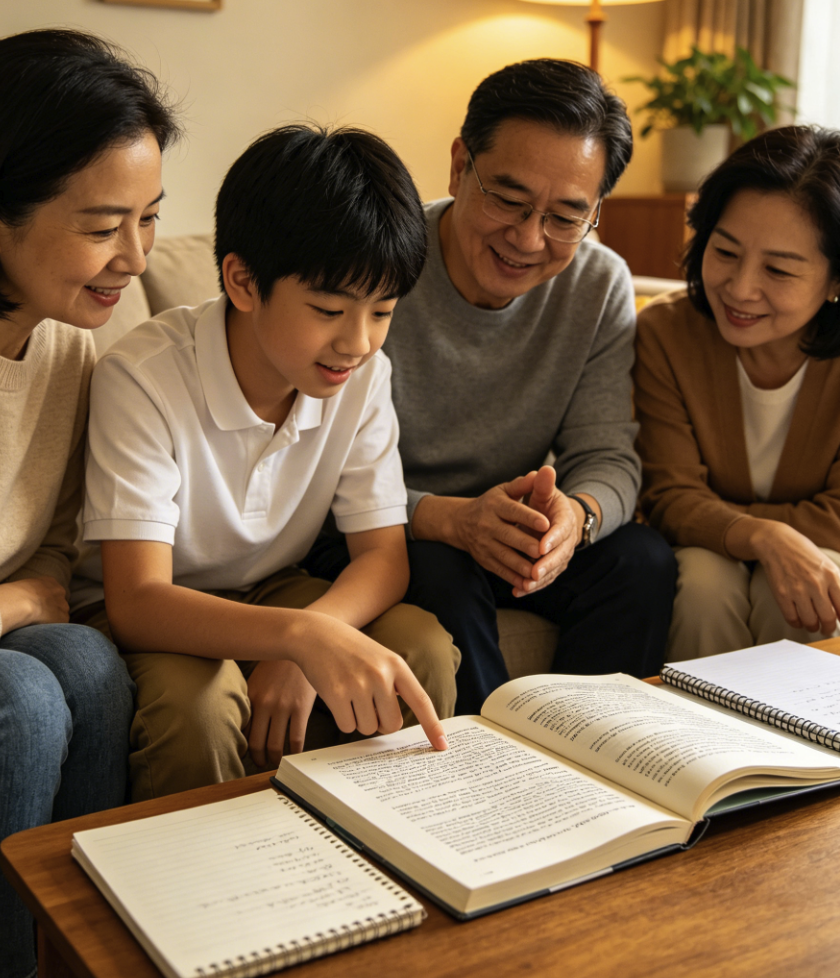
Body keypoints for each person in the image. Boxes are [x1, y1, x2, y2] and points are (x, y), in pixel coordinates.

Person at [72, 124, 456, 802]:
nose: (358, 342)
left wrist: (309, 642)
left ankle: (400, 853)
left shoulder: (364, 377)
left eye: (383, 312)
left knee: (417, 648)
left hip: (274, 588)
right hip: (159, 605)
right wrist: (298, 638)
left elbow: (383, 557)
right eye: (329, 309)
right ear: (243, 281)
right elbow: (136, 602)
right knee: (197, 707)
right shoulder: (143, 376)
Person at [305, 59, 677, 714]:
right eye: (508, 199)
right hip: (380, 527)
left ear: (596, 211)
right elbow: (314, 463)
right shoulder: (379, 261)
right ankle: (492, 773)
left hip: (500, 528)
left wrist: (577, 520)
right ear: (458, 166)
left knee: (640, 561)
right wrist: (451, 519)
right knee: (440, 571)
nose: (529, 238)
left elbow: (609, 454)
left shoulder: (598, 285)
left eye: (566, 216)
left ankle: (595, 759)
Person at [0, 28, 175, 978]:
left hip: (17, 621)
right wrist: (23, 601)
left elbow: (57, 552)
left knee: (89, 661)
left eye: (151, 219)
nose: (137, 259)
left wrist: (36, 598)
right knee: (26, 693)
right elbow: (35, 585)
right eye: (104, 227)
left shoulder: (70, 344)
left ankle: (85, 956)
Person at [634, 125, 840, 660]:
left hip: (824, 553)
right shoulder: (666, 334)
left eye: (778, 269)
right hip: (704, 551)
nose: (741, 288)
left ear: (835, 280)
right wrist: (764, 536)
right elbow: (669, 494)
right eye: (724, 252)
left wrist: (737, 523)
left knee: (805, 589)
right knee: (701, 585)